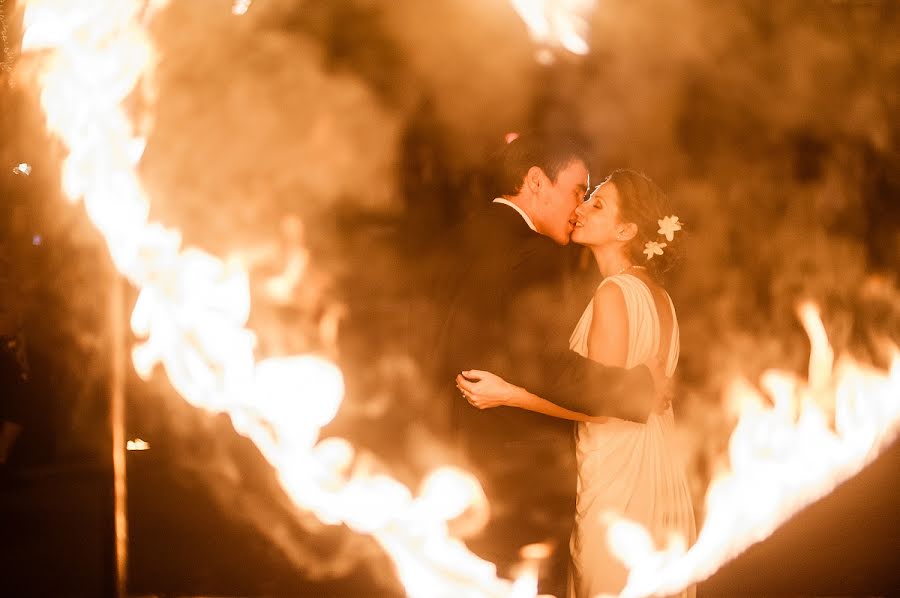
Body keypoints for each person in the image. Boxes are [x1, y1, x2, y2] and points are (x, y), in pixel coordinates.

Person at [429, 135, 664, 593]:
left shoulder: (460, 238)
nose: (579, 207)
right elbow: (546, 367)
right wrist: (641, 388)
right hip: (515, 475)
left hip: (452, 461)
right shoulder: (532, 254)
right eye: (578, 190)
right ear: (537, 182)